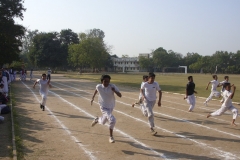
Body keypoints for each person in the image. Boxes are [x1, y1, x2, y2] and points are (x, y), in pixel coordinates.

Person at [90, 75, 122, 143]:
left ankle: (97, 120)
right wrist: (93, 97)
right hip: (103, 106)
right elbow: (96, 89)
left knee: (103, 122)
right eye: (105, 81)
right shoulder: (99, 86)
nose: (107, 83)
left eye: (108, 81)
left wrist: (114, 91)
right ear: (102, 81)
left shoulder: (112, 86)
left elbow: (120, 95)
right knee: (112, 120)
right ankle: (111, 137)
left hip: (111, 106)